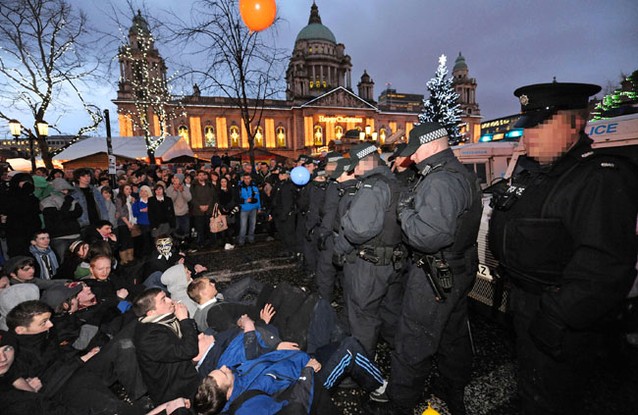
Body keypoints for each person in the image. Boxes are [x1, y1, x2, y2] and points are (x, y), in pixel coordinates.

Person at [488, 82, 638, 415]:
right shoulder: (542, 173)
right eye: (526, 127)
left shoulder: (598, 177)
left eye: (539, 126)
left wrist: (555, 317)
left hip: (557, 318)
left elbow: (603, 267)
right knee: (532, 390)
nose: (527, 137)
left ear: (575, 124)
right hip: (528, 304)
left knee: (549, 400)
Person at [333, 142, 405, 358]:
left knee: (363, 317)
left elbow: (358, 230)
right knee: (390, 312)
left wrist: (344, 229)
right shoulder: (394, 182)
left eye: (356, 166)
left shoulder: (371, 186)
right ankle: (399, 358)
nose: (354, 172)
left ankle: (362, 366)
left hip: (369, 265)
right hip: (392, 261)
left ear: (366, 162)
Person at [132, 287, 200, 405]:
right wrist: (184, 320)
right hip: (176, 391)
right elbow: (189, 350)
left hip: (185, 373)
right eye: (163, 300)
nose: (170, 300)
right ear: (151, 312)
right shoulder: (148, 337)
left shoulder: (166, 319)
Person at [40, 178, 83, 260]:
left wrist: (65, 212)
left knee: (78, 259)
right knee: (62, 260)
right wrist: (67, 204)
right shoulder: (47, 201)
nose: (66, 192)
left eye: (67, 190)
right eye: (63, 190)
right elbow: (57, 217)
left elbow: (78, 212)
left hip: (74, 234)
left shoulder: (71, 199)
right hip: (59, 237)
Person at [190, 170, 217, 248]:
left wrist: (208, 205)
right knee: (200, 228)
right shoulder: (193, 185)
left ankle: (212, 243)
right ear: (197, 176)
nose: (201, 176)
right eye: (200, 175)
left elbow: (212, 196)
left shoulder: (209, 184)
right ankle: (201, 243)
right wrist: (199, 206)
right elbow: (192, 197)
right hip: (198, 211)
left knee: (210, 227)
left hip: (209, 210)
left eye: (203, 175)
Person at [166, 174, 192, 243]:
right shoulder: (169, 189)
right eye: (174, 178)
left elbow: (189, 198)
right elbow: (170, 200)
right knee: (177, 230)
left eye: (176, 178)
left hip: (185, 212)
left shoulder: (185, 188)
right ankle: (177, 244)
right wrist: (175, 191)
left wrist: (182, 191)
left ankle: (185, 243)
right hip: (175, 213)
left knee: (186, 229)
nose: (174, 180)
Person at [237, 172, 260, 246]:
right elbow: (236, 198)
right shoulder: (239, 188)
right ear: (243, 179)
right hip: (244, 209)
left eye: (248, 178)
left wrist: (259, 207)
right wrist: (245, 201)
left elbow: (258, 198)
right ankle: (241, 241)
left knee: (252, 226)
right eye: (245, 178)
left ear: (250, 179)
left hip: (253, 208)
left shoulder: (254, 187)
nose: (247, 180)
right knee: (243, 226)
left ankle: (251, 239)